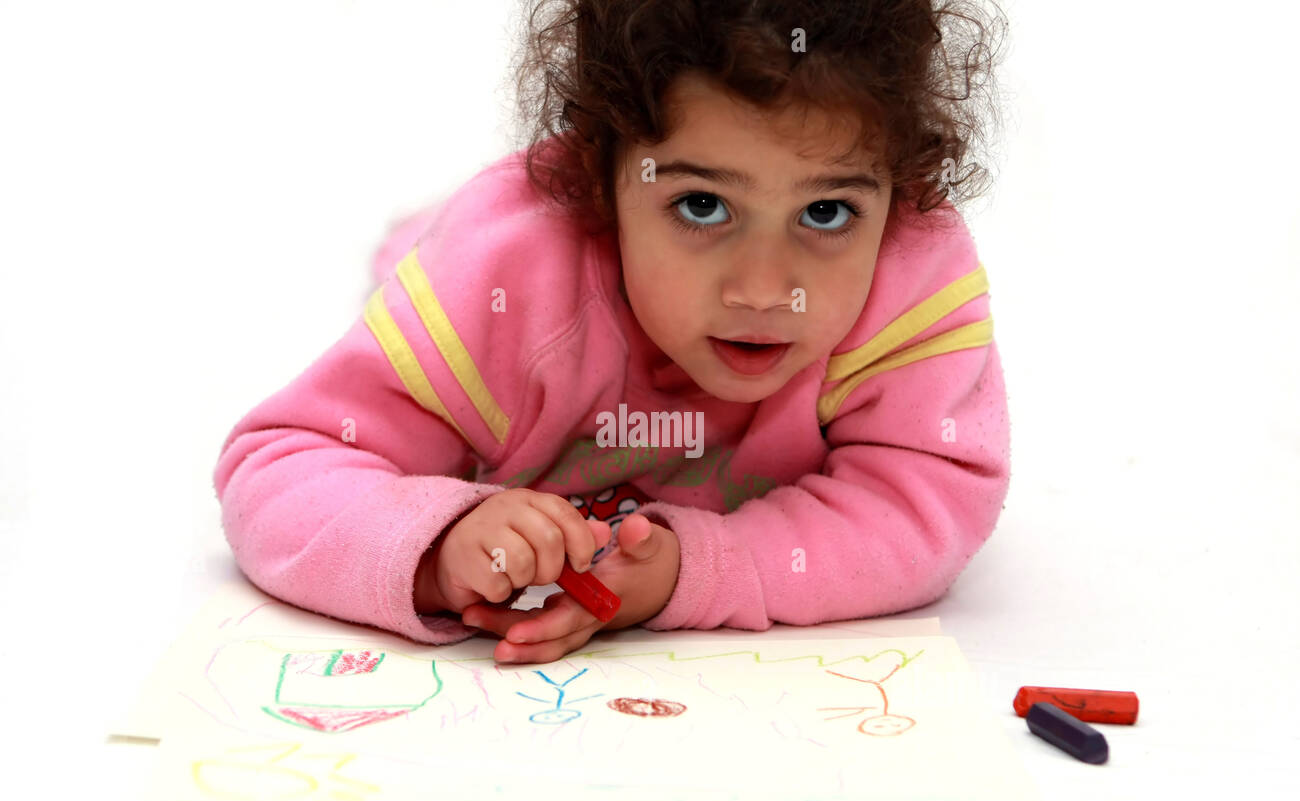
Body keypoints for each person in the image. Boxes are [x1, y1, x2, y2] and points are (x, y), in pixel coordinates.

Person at [213, 0, 1011, 664]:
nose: (767, 291)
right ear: (594, 179)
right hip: (472, 269)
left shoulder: (908, 279)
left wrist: (691, 572)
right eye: (702, 205)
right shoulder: (508, 284)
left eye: (826, 213)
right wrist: (439, 543)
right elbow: (279, 469)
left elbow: (924, 505)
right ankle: (413, 233)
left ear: (899, 196)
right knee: (433, 252)